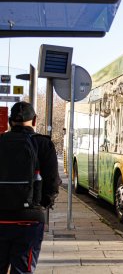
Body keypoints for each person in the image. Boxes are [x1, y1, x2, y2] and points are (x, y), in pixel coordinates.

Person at [0, 101, 61, 273]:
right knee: (22, 270)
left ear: (10, 121)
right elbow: (53, 183)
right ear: (34, 120)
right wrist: (41, 205)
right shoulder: (43, 144)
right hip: (29, 220)